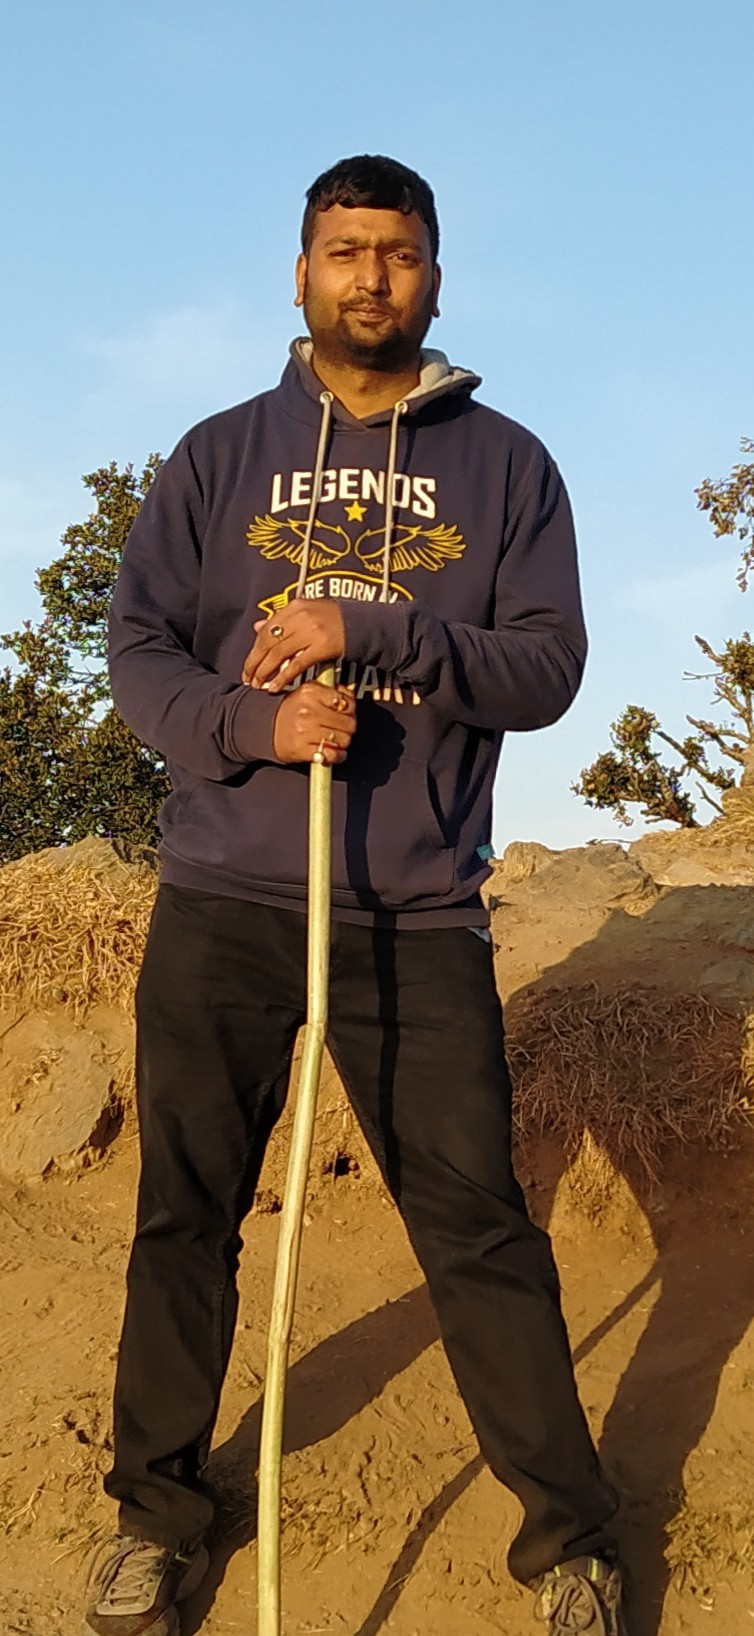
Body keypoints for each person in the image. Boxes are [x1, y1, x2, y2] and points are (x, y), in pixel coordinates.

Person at [83, 154, 626, 1636]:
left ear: (434, 273)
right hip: (224, 898)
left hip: (415, 914)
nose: (369, 277)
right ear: (301, 271)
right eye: (344, 250)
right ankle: (155, 1517)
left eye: (397, 252)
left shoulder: (509, 465)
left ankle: (570, 1540)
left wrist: (375, 630)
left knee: (478, 1224)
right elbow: (138, 651)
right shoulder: (217, 456)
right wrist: (255, 726)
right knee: (185, 1217)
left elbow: (547, 668)